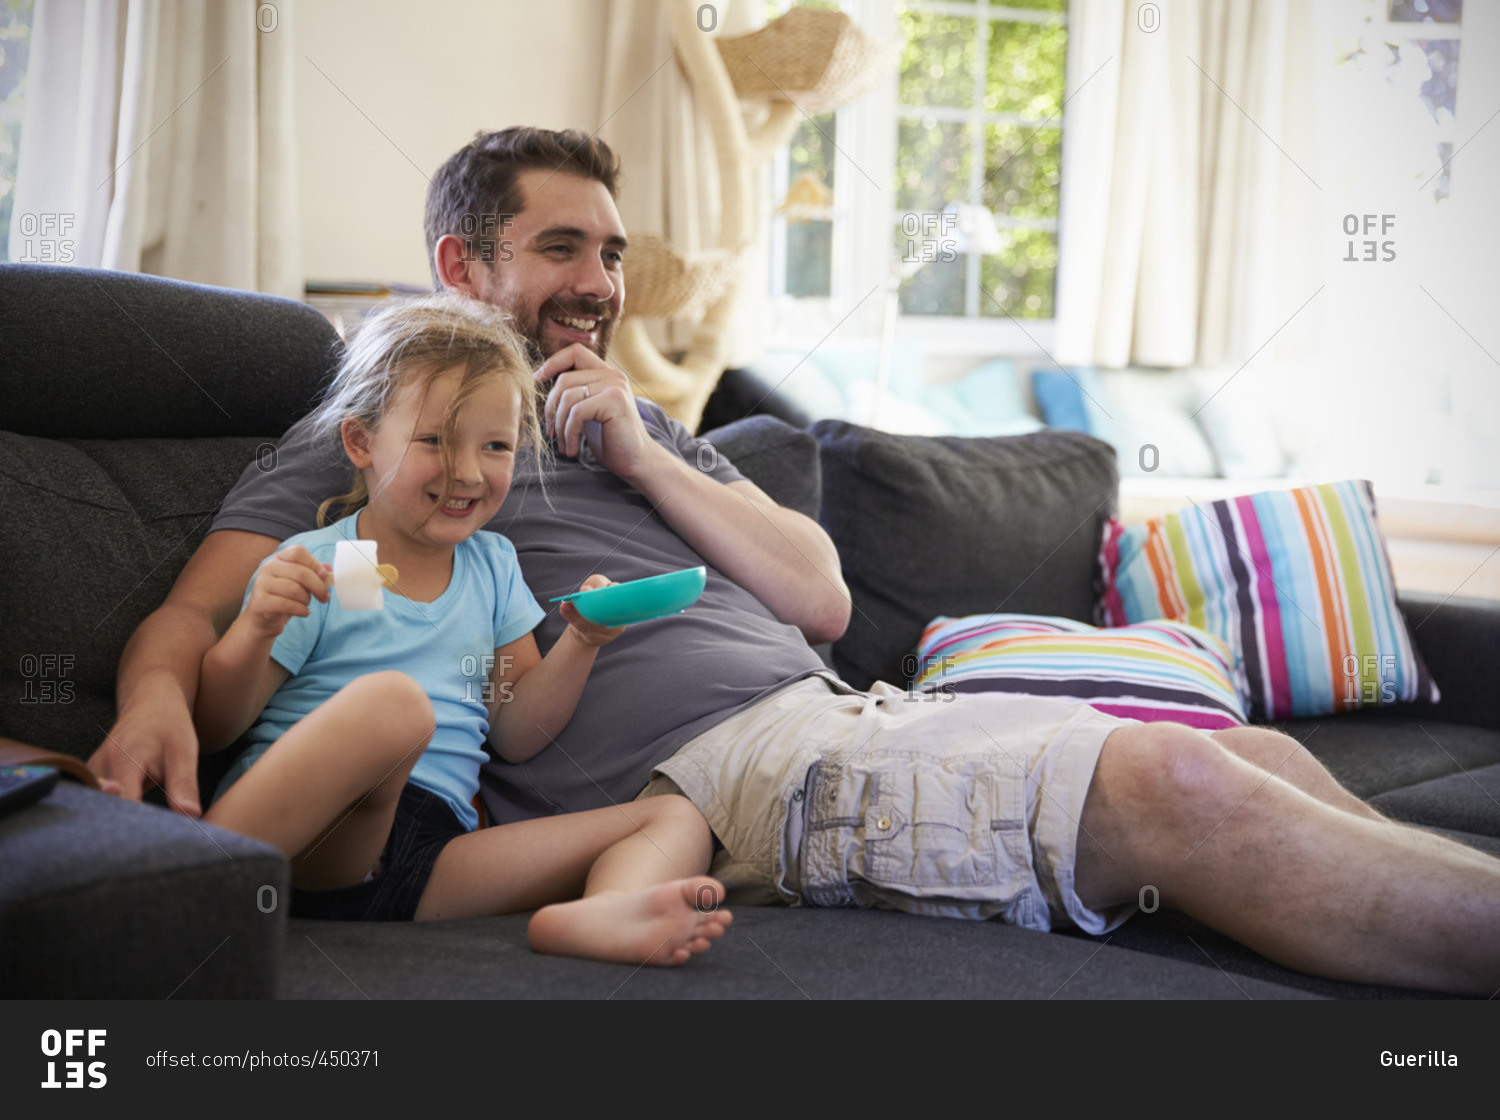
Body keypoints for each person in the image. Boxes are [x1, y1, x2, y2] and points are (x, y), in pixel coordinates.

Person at [92, 127, 1500, 995]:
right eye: (561, 247)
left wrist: (645, 449)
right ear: (463, 267)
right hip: (736, 775)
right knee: (1181, 781)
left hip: (849, 713)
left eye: (616, 252)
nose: (600, 281)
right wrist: (161, 701)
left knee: (1255, 757)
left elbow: (822, 597)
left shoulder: (641, 422)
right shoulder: (387, 437)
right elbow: (196, 612)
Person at [195, 293, 731, 966]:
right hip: (310, 836)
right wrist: (254, 627)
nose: (469, 472)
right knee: (393, 706)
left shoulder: (492, 566)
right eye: (435, 441)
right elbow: (216, 726)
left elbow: (515, 730)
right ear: (360, 441)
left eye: (496, 446)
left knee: (678, 812)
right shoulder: (330, 562)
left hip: (429, 860)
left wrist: (582, 642)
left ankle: (598, 917)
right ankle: (186, 889)